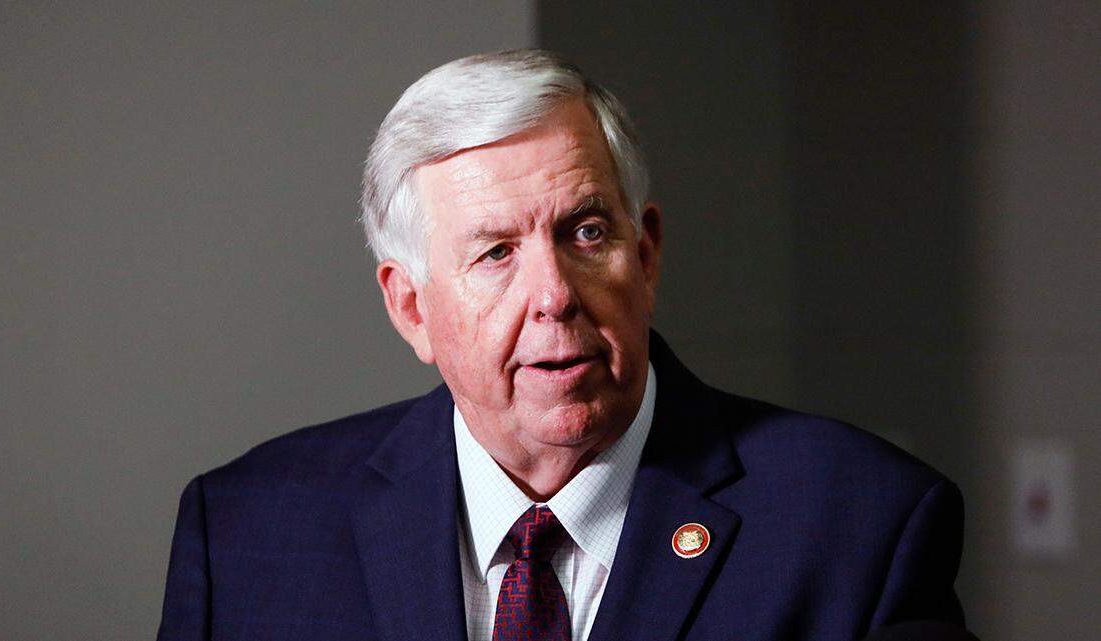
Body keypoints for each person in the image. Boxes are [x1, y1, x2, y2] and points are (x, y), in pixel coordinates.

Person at [157, 49, 968, 641]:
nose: (553, 295)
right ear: (411, 309)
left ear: (645, 255)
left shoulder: (863, 524)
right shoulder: (243, 533)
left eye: (586, 231)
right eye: (496, 252)